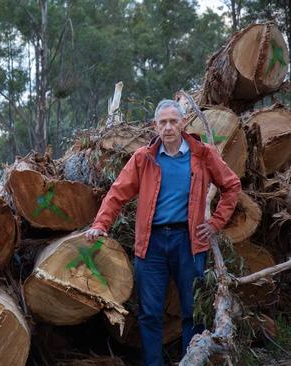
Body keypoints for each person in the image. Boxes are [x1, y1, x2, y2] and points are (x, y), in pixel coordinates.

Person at [84, 99, 241, 366]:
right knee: (149, 313)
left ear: (183, 123)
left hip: (189, 242)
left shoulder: (202, 154)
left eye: (173, 121)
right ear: (155, 126)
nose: (168, 127)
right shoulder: (143, 158)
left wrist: (214, 223)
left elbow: (232, 186)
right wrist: (101, 224)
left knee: (193, 312)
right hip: (151, 244)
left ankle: (190, 362)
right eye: (162, 122)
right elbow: (117, 193)